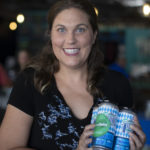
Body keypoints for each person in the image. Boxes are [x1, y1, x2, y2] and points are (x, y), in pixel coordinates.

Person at [0, 0, 146, 150]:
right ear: (50, 35)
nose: (70, 40)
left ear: (94, 35)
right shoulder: (31, 81)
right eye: (61, 29)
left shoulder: (118, 84)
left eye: (80, 29)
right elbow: (7, 147)